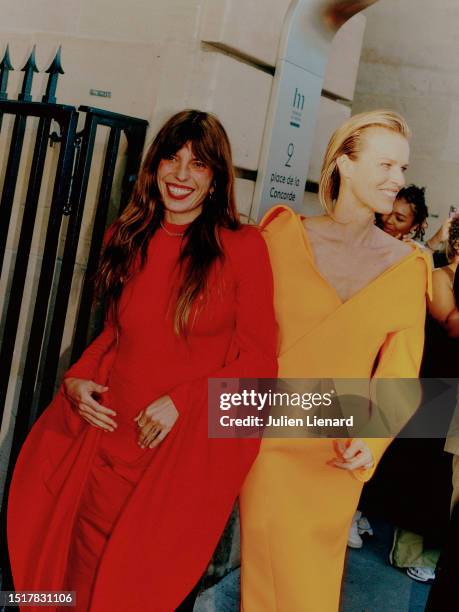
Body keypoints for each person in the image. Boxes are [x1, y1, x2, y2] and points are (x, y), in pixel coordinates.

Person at [7, 110, 278, 611]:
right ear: (153, 168)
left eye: (197, 164)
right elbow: (115, 334)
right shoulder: (125, 237)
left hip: (178, 461)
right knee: (77, 585)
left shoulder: (244, 248)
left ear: (216, 179)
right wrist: (79, 378)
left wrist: (187, 401)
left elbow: (261, 363)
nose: (180, 175)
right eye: (171, 160)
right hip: (107, 447)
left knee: (147, 591)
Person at [239, 110, 430, 611]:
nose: (398, 179)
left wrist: (372, 442)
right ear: (344, 163)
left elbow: (400, 372)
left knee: (313, 586)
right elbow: (242, 340)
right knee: (268, 582)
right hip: (267, 445)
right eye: (386, 164)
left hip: (339, 452)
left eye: (403, 168)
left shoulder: (409, 267)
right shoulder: (279, 235)